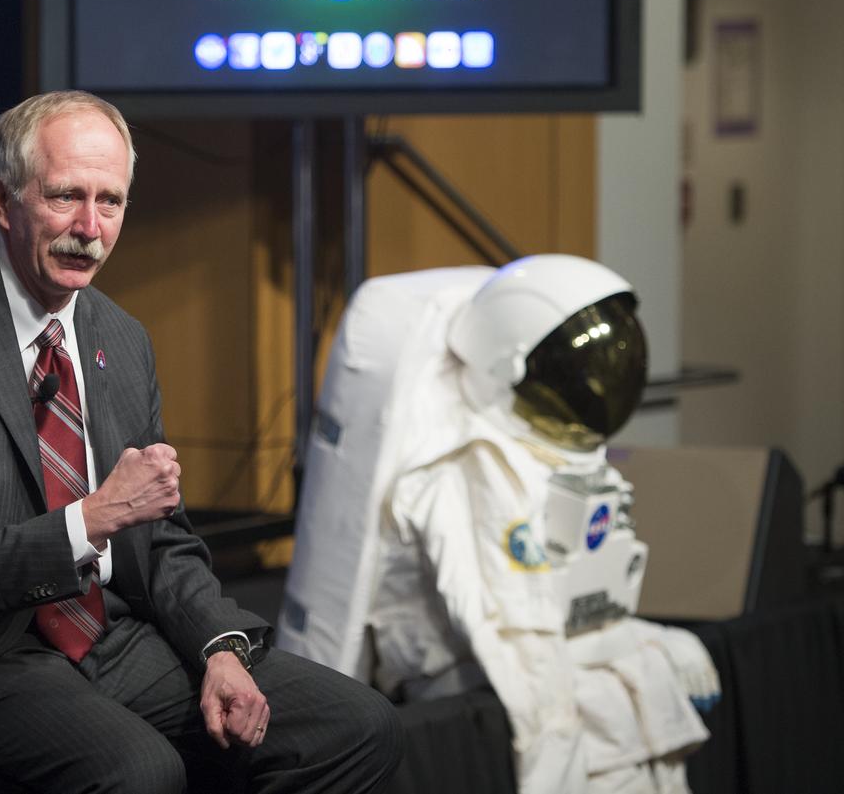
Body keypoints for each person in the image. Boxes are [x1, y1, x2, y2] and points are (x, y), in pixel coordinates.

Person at [0, 90, 405, 794]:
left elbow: (163, 542)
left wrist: (219, 647)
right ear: (5, 202)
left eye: (112, 201)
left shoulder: (121, 338)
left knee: (356, 724)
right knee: (141, 773)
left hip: (107, 632)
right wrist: (91, 518)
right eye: (66, 196)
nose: (89, 228)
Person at [279, 257, 717, 794]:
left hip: (556, 655)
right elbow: (518, 641)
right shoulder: (466, 476)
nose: (594, 389)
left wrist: (643, 639)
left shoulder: (542, 453)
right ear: (511, 367)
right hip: (475, 681)